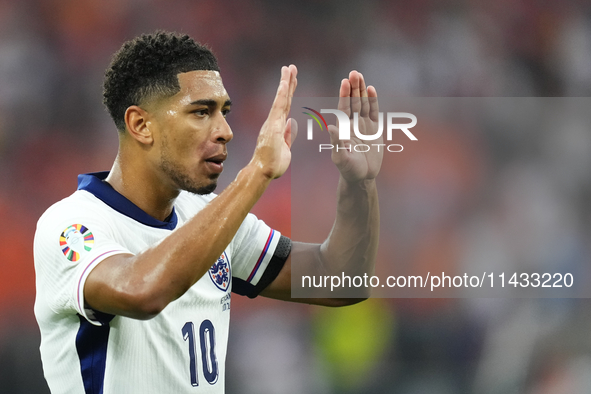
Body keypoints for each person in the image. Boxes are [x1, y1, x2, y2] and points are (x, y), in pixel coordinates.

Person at [34, 31, 381, 393]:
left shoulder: (211, 217)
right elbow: (143, 291)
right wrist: (257, 172)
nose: (225, 131)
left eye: (224, 112)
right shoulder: (70, 226)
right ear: (140, 125)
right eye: (201, 112)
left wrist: (361, 185)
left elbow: (339, 281)